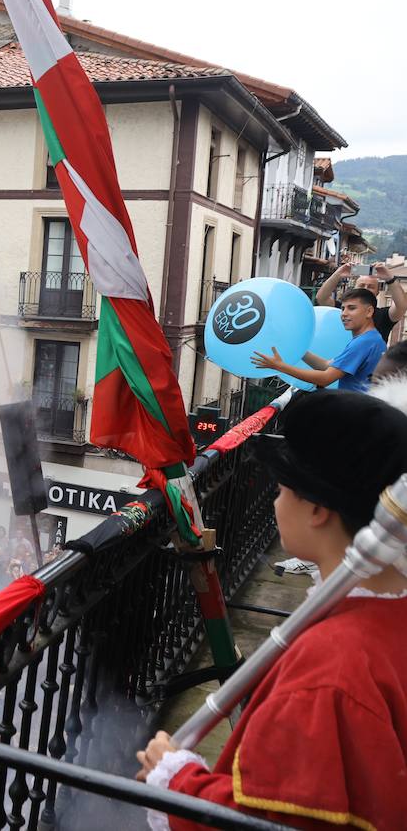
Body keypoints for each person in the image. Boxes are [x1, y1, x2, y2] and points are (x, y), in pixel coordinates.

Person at [136, 390, 407, 830]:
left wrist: (178, 780)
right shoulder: (391, 620)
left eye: (281, 489)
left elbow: (273, 818)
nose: (275, 502)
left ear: (317, 509)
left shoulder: (328, 668)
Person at [252, 288, 386, 393]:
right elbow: (327, 366)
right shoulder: (372, 339)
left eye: (352, 308)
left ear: (369, 312)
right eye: (342, 308)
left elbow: (326, 378)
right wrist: (299, 349)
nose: (344, 313)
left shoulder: (363, 342)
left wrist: (279, 366)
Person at [314, 260, 405, 340]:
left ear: (377, 292)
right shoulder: (343, 309)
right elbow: (322, 298)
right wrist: (338, 274)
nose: (365, 289)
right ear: (354, 288)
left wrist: (389, 278)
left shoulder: (383, 316)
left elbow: (401, 306)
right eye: (362, 285)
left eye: (371, 287)